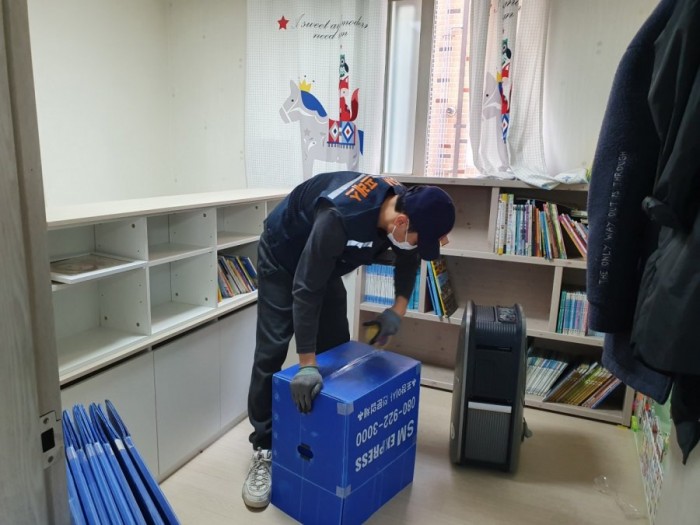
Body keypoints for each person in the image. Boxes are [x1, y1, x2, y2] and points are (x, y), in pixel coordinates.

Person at [242, 171, 456, 508]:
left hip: (324, 259)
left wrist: (397, 310)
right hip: (283, 254)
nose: (415, 245)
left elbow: (408, 259)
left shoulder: (403, 209)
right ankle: (264, 448)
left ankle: (322, 437)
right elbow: (305, 290)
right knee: (272, 348)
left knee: (336, 347)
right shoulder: (340, 216)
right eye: (417, 239)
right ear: (401, 222)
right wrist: (306, 364)